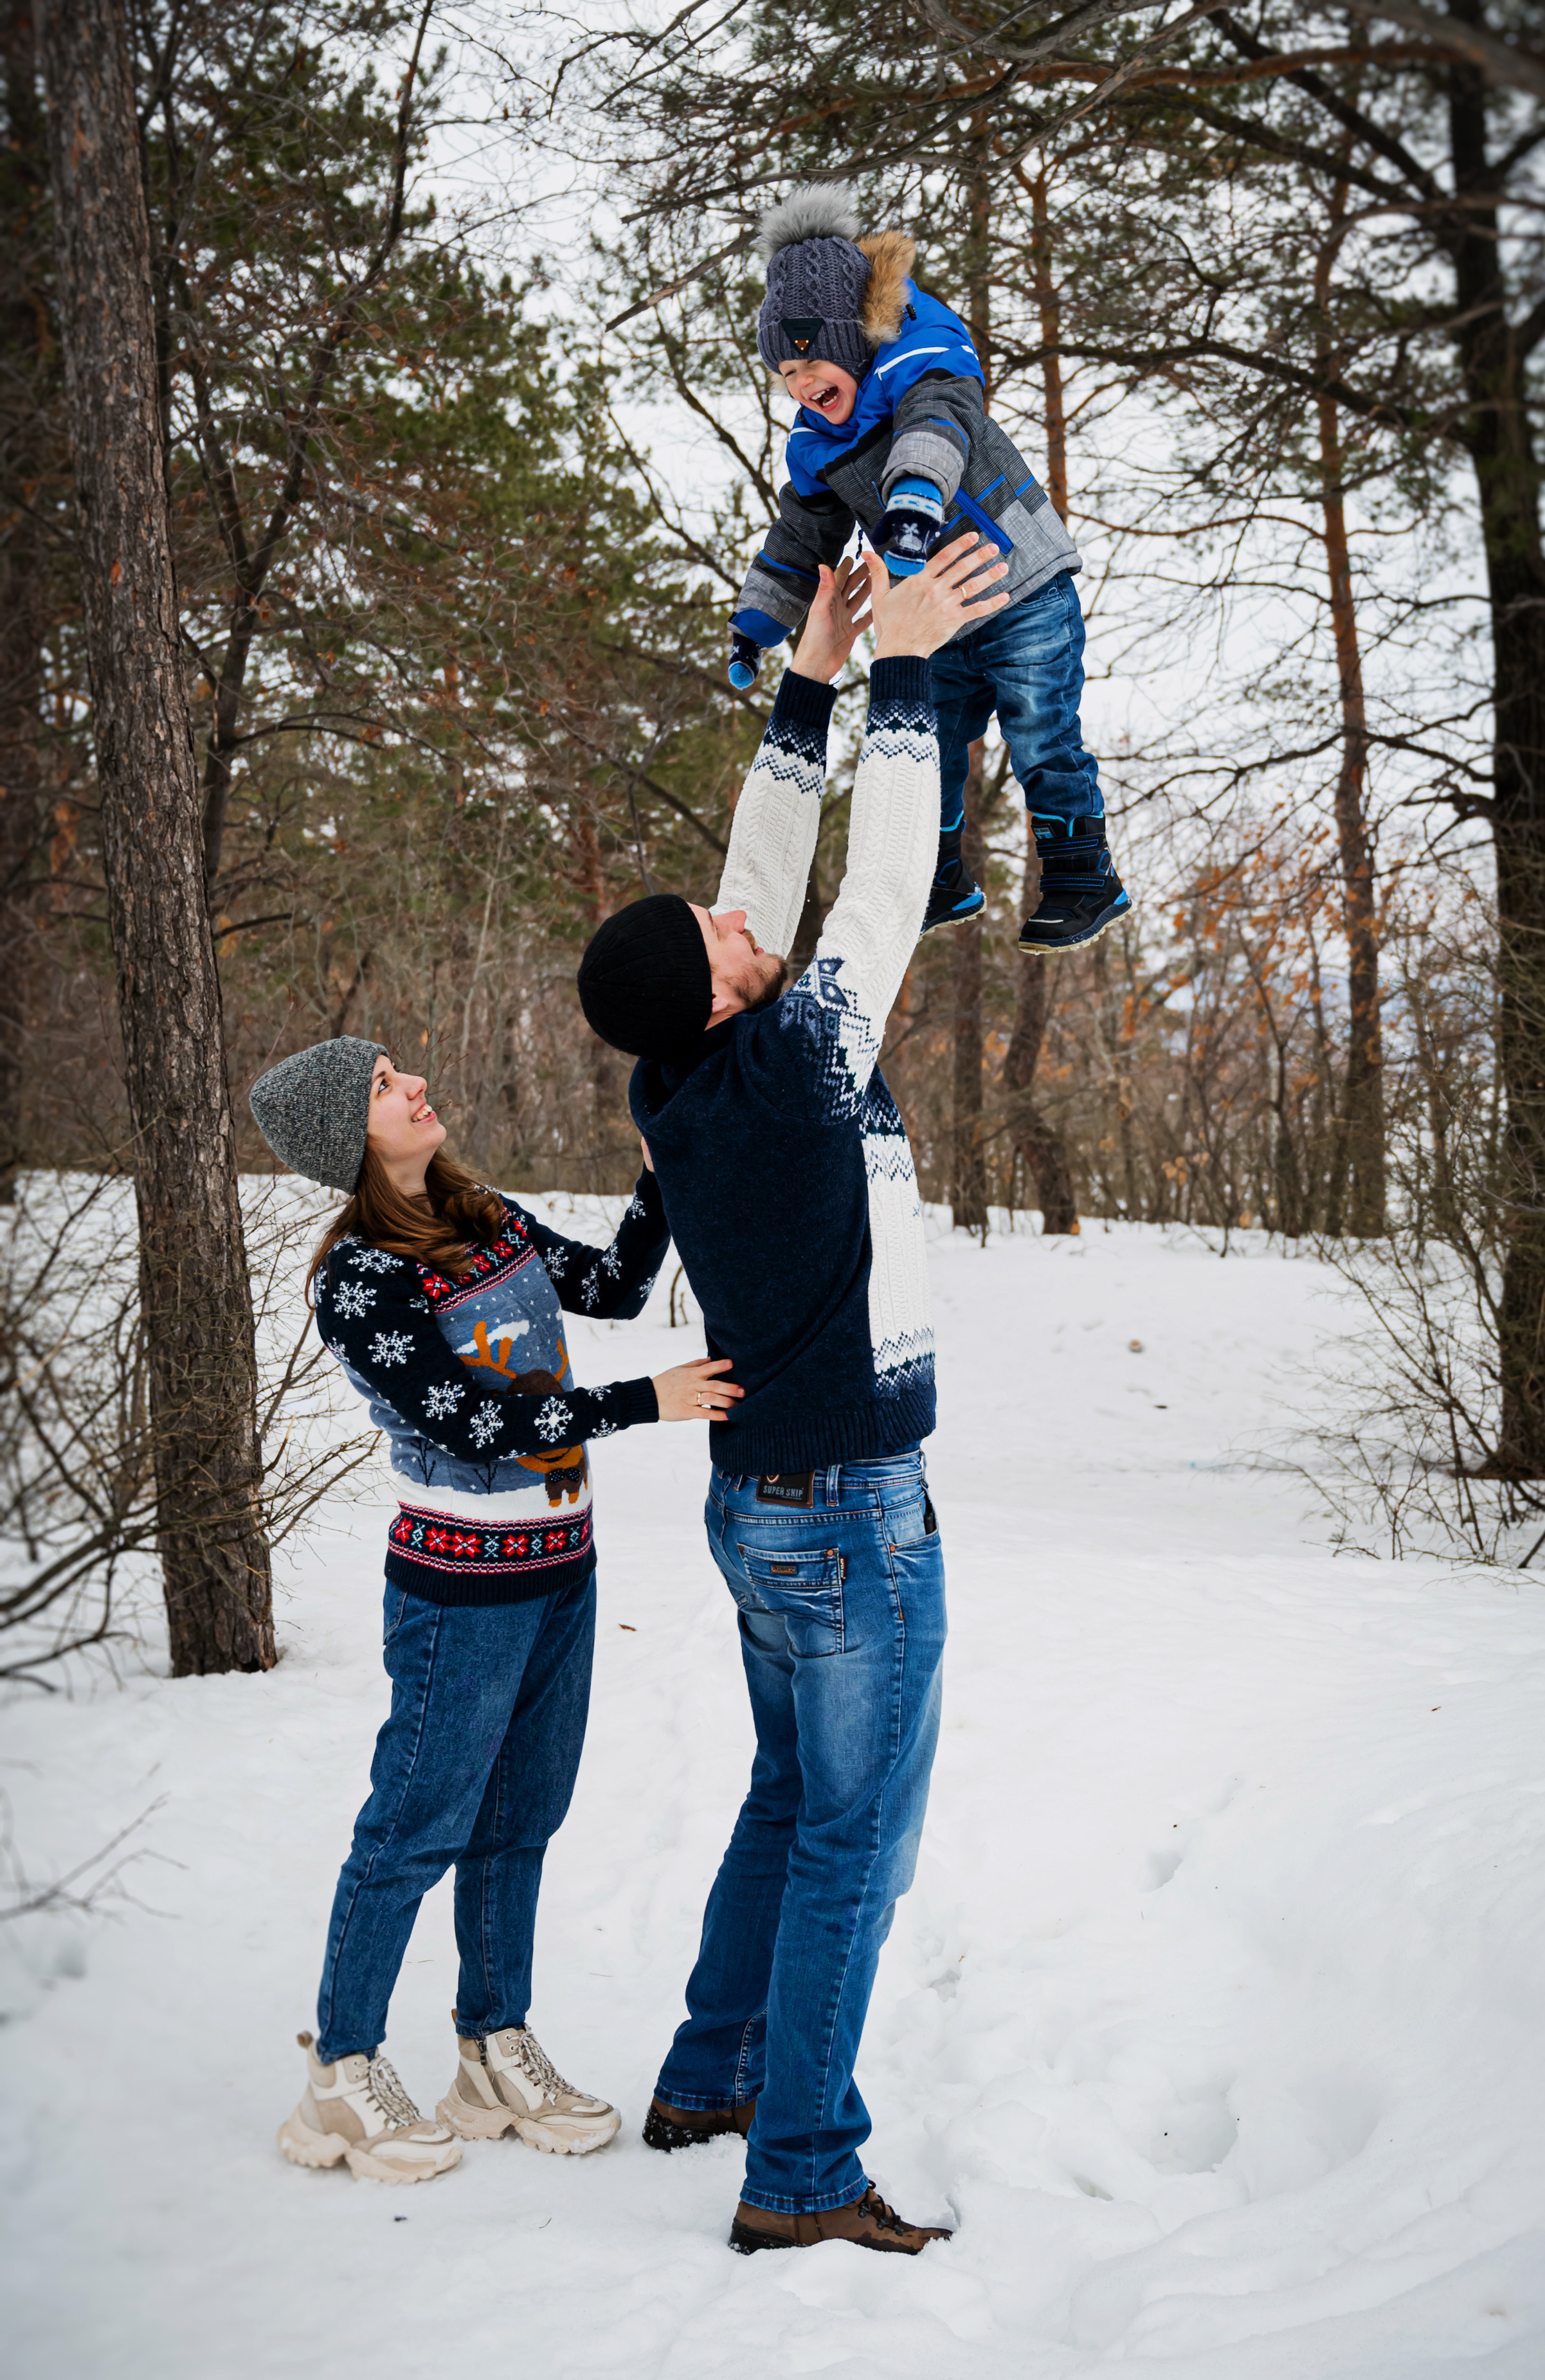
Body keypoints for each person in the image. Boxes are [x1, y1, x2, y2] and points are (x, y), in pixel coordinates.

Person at [575, 533, 1004, 2255]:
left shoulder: (693, 1074)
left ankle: (709, 2073)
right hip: (846, 1512)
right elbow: (881, 889)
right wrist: (903, 674)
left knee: (784, 1799)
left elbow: (754, 886)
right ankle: (803, 2167)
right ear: (724, 987)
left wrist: (809, 677)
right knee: (851, 1838)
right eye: (720, 933)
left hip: (764, 1508)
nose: (743, 913)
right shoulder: (798, 1054)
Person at [247, 1040, 741, 2185]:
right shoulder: (360, 1276)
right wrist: (645, 1401)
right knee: (413, 1827)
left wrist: (661, 1174)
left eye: (400, 1069)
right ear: (348, 1137)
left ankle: (490, 2043)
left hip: (563, 1568)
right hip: (457, 1592)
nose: (417, 1080)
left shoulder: (488, 1216)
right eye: (381, 1086)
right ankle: (342, 2077)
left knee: (523, 1816)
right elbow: (474, 1421)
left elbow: (614, 1283)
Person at [723, 180, 1129, 957]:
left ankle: (1082, 876)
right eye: (786, 376)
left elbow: (934, 431)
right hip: (934, 617)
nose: (803, 386)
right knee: (923, 741)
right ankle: (939, 876)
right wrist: (757, 623)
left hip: (1022, 591)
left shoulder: (927, 362)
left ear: (851, 339)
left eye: (811, 363)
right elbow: (801, 532)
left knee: (1041, 731)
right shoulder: (817, 442)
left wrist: (913, 504)